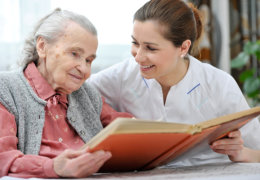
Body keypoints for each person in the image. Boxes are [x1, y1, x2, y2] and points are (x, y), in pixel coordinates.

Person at [88, 0, 260, 166]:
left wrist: (240, 153)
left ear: (183, 48)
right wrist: (110, 115)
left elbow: (257, 151)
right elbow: (78, 91)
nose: (138, 56)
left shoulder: (219, 84)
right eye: (135, 43)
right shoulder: (123, 75)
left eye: (151, 48)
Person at [0, 8, 133, 178]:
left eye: (88, 60)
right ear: (42, 47)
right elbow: (3, 157)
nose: (84, 69)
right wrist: (55, 167)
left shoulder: (87, 94)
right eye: (74, 54)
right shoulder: (5, 89)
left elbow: (124, 128)